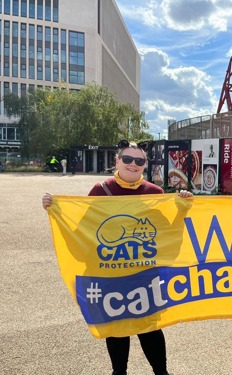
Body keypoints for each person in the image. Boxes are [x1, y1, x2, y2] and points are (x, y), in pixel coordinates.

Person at [42, 140, 193, 375]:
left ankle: (161, 372)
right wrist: (56, 210)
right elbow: (84, 232)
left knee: (150, 328)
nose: (133, 164)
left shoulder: (155, 194)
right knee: (116, 328)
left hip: (145, 275)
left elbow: (167, 236)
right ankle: (118, 372)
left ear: (145, 165)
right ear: (117, 161)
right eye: (128, 159)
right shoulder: (100, 191)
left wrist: (183, 206)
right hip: (111, 276)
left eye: (139, 161)